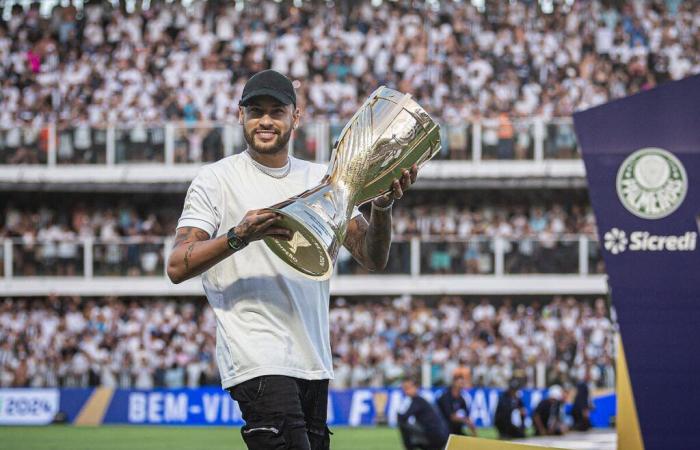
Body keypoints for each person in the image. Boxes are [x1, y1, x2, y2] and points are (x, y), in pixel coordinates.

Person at [166, 69, 418, 450]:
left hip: (313, 359)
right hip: (258, 356)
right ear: (240, 116)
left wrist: (382, 207)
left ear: (295, 118)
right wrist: (239, 236)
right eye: (255, 111)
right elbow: (177, 265)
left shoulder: (324, 178)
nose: (265, 120)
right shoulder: (216, 179)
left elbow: (371, 255)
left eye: (276, 111)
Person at [397, 378, 449, 450]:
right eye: (404, 388)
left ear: (415, 387)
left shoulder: (417, 401)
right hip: (437, 435)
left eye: (407, 388)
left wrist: (398, 414)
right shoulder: (420, 400)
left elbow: (403, 417)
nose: (405, 391)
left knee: (403, 424)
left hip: (434, 437)